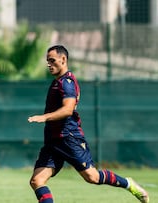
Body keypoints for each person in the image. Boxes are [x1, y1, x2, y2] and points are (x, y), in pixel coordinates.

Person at [27, 45, 149, 203]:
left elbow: (68, 109)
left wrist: (45, 117)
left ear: (63, 59)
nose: (49, 64)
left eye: (52, 60)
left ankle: (129, 184)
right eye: (47, 61)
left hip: (68, 138)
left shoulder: (67, 83)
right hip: (53, 141)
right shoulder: (57, 82)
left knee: (92, 177)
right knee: (37, 181)